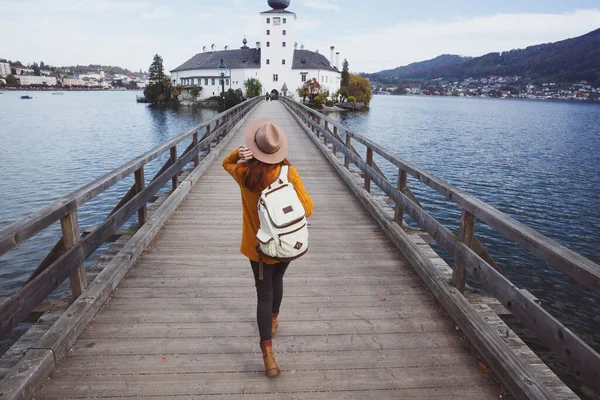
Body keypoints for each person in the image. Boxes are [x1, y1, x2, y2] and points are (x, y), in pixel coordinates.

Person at [222, 119, 314, 377]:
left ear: (254, 148)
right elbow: (307, 208)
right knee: (278, 281)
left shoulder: (243, 174)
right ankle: (274, 319)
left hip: (258, 248)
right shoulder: (288, 173)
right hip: (286, 245)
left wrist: (238, 154)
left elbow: (225, 164)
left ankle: (268, 357)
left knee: (263, 293)